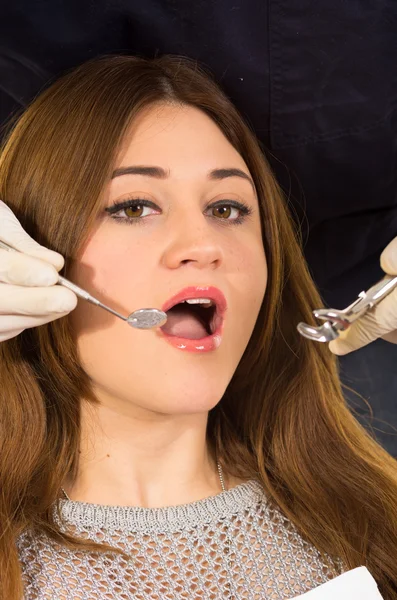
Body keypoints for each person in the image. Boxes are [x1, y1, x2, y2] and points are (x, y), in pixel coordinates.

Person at [0, 54, 396, 599]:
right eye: (134, 207)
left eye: (228, 208)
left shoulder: (375, 527)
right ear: (36, 251)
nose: (204, 245)